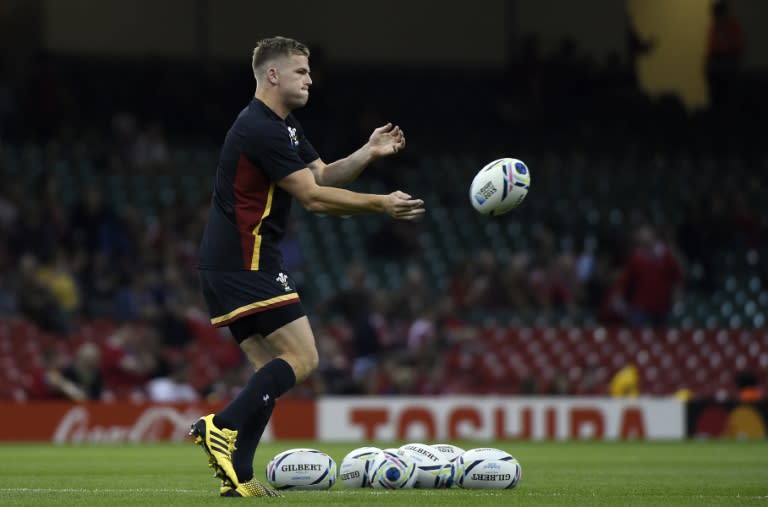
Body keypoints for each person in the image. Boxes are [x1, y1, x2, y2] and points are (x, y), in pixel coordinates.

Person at [189, 36, 425, 498]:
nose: (310, 78)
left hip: (229, 261)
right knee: (304, 357)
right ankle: (223, 425)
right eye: (301, 71)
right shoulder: (261, 127)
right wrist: (381, 203)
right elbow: (315, 199)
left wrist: (367, 153)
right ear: (272, 75)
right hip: (246, 259)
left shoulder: (285, 126)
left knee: (270, 368)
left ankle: (237, 473)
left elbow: (321, 176)